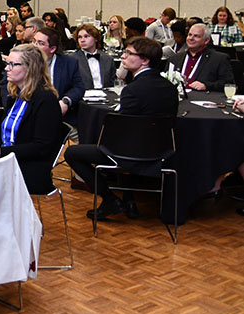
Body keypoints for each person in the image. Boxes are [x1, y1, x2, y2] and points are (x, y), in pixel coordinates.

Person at [65, 36, 178, 220]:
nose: (123, 57)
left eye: (128, 53)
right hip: (161, 150)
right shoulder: (170, 87)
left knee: (73, 153)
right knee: (123, 143)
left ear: (145, 60)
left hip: (132, 152)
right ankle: (129, 198)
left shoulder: (133, 90)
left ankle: (109, 199)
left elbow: (121, 129)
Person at [0, 43, 61, 194]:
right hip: (9, 159)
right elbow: (2, 130)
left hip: (30, 167)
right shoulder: (15, 95)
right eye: (7, 64)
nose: (6, 69)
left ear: (29, 68)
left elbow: (41, 148)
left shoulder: (46, 100)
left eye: (12, 64)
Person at [32, 27, 85, 124]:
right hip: (30, 113)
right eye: (34, 41)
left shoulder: (68, 63)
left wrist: (65, 101)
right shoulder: (22, 61)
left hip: (59, 115)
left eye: (40, 43)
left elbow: (79, 87)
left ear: (52, 49)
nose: (34, 46)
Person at [168, 23, 234, 91]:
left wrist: (206, 86)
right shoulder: (174, 58)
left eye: (196, 36)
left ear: (206, 40)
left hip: (204, 98)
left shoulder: (219, 59)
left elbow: (228, 84)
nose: (191, 38)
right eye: (190, 35)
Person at [72, 23, 117, 89]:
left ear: (95, 38)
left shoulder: (107, 59)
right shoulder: (72, 59)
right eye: (79, 37)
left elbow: (112, 83)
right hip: (82, 96)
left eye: (86, 36)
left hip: (105, 96)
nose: (82, 40)